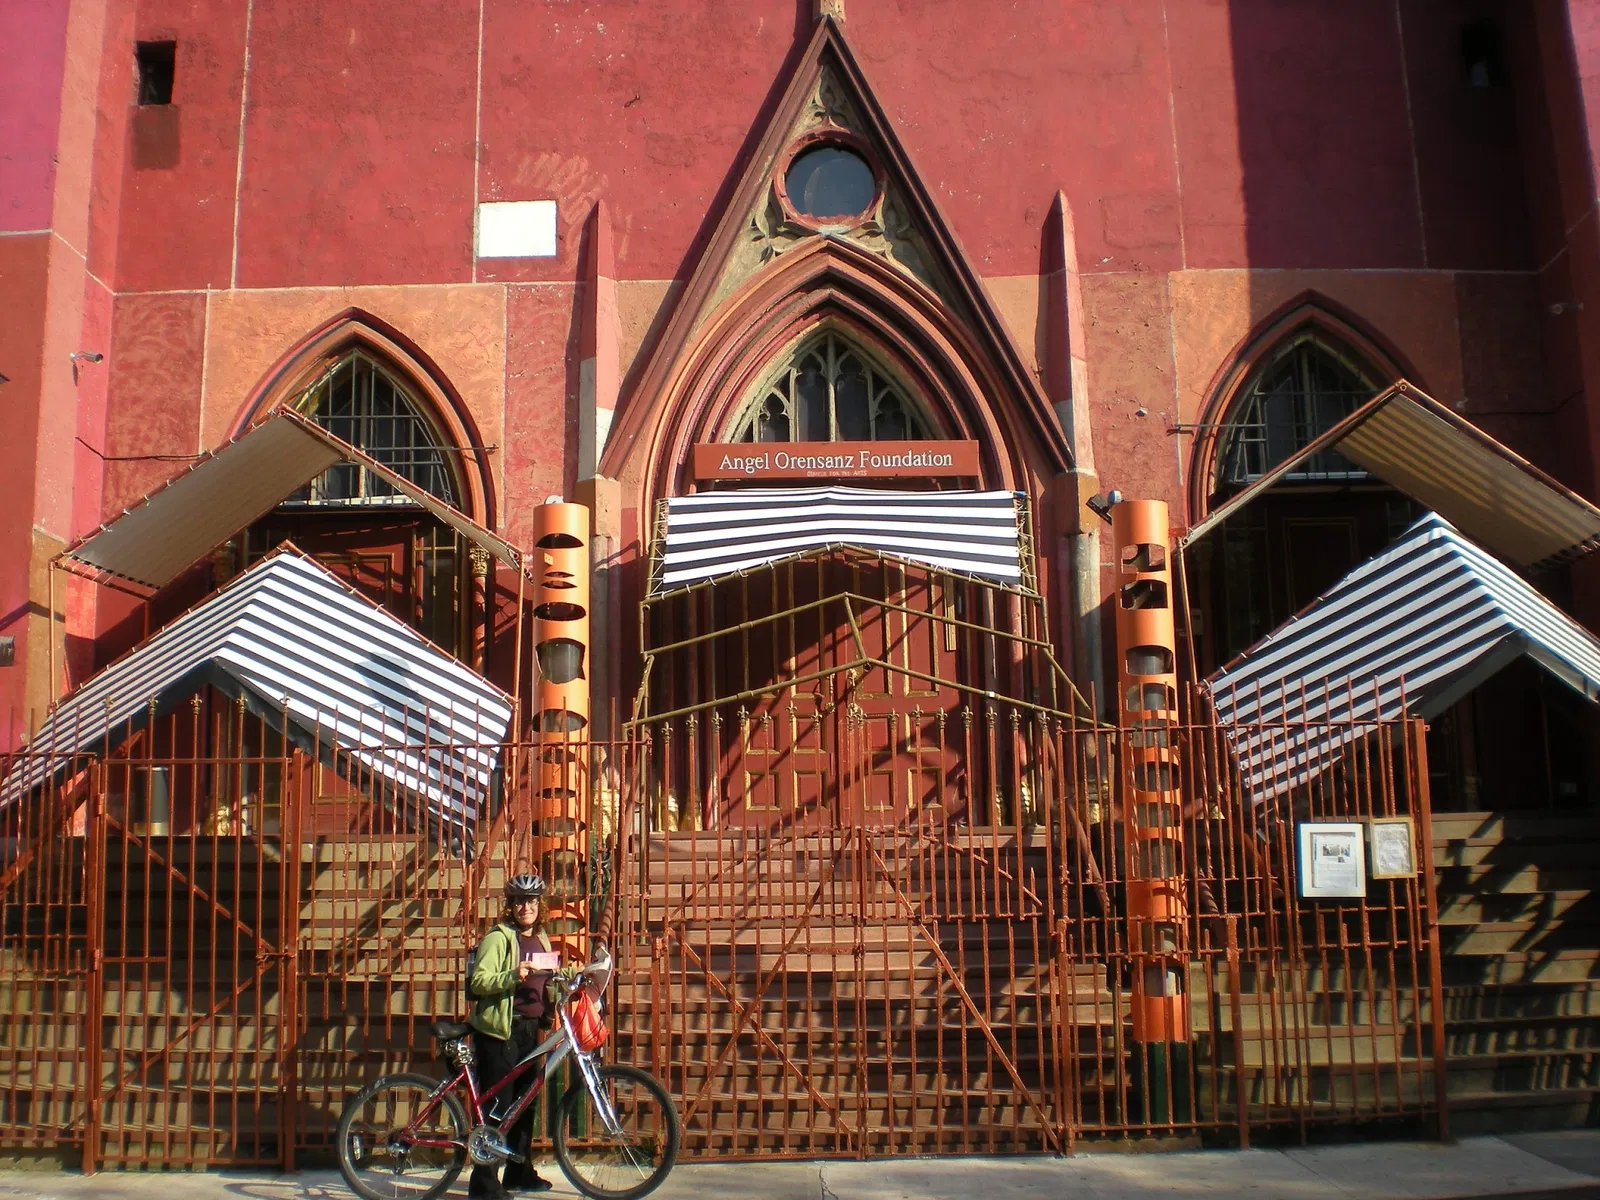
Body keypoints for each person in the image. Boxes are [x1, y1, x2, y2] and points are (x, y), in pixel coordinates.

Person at [466, 872, 561, 1197]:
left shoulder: (543, 938)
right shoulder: (499, 937)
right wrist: (511, 975)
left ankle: (519, 1172)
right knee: (498, 1108)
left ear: (540, 904)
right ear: (511, 905)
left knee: (524, 1106)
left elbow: (545, 979)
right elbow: (479, 982)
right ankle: (484, 1186)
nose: (525, 907)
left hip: (529, 1032)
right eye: (519, 901)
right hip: (499, 1034)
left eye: (531, 901)